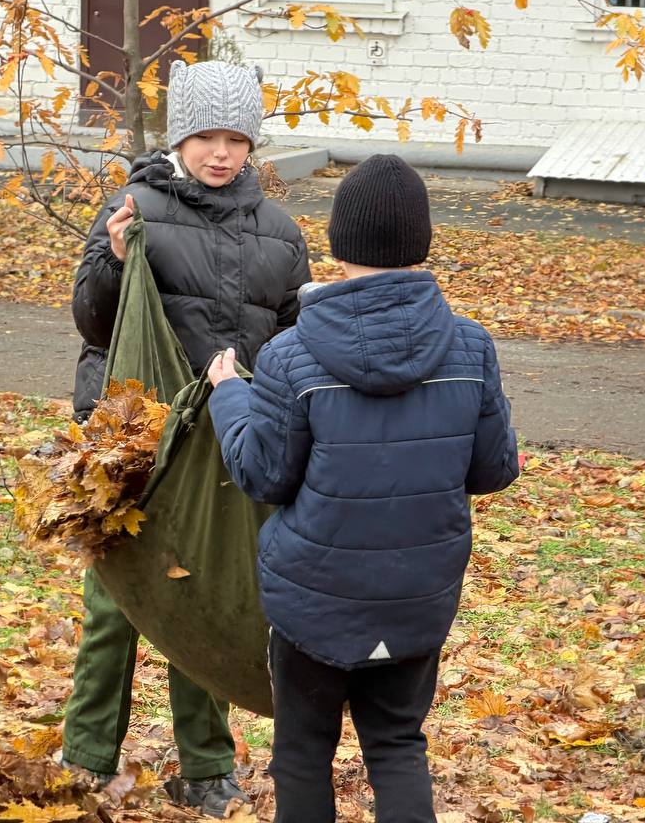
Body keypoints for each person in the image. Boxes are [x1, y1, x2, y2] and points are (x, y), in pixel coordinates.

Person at [205, 154, 520, 821]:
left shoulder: (292, 355)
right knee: (399, 745)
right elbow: (494, 471)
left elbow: (262, 474)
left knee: (301, 751)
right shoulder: (471, 349)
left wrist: (228, 396)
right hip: (416, 600)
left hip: (311, 606)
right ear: (421, 245)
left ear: (339, 247)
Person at [66, 60, 312, 815]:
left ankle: (206, 767)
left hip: (226, 442)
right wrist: (111, 261)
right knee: (116, 601)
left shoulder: (277, 232)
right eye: (206, 135)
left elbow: (293, 339)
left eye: (236, 138)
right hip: (135, 444)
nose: (221, 153)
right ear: (180, 136)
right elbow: (92, 320)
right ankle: (88, 756)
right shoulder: (133, 208)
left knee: (205, 596)